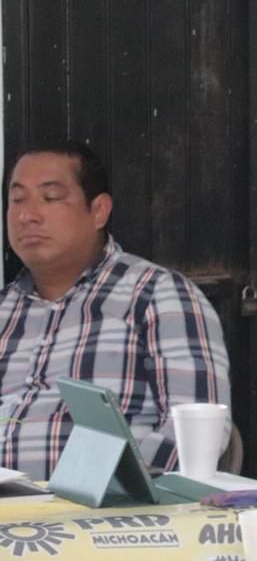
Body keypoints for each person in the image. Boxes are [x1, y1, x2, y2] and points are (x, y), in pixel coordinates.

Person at [0, 140, 230, 480]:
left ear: (98, 211)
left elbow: (197, 432)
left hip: (105, 506)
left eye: (50, 198)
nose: (27, 215)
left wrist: (98, 484)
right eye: (18, 200)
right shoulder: (5, 310)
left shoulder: (157, 296)